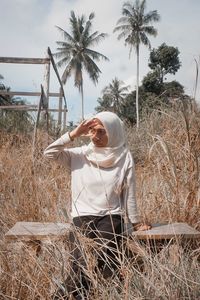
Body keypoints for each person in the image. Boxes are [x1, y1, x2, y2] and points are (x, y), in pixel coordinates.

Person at [44, 111, 150, 299]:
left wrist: (135, 222)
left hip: (111, 216)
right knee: (80, 258)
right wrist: (73, 135)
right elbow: (49, 153)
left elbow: (129, 193)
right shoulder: (80, 155)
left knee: (104, 253)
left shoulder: (124, 156)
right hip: (82, 215)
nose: (96, 136)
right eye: (92, 131)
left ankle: (65, 296)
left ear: (114, 132)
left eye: (102, 131)